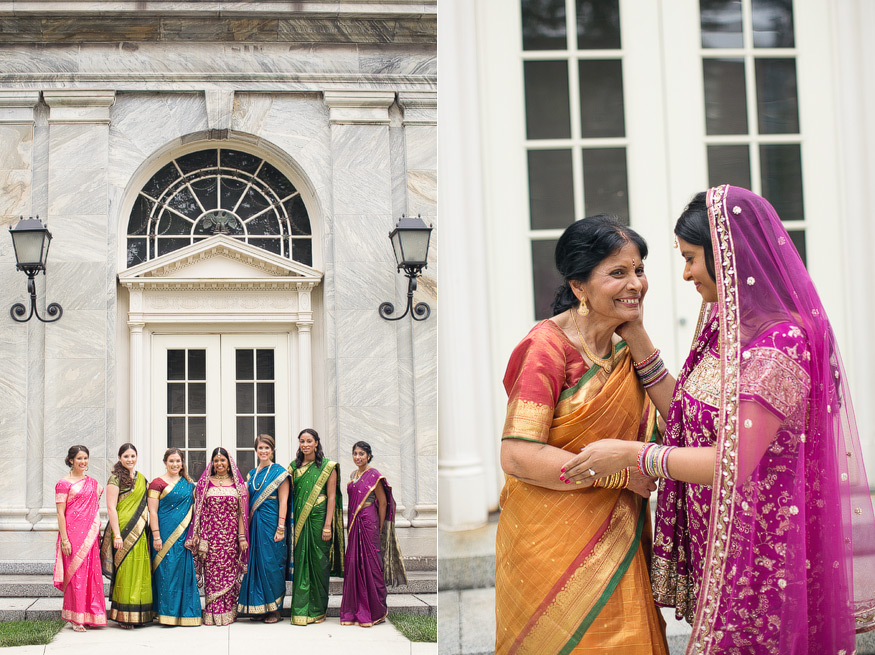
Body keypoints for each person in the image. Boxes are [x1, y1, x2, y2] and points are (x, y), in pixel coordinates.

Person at [565, 185, 875, 653]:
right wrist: (640, 339)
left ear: (729, 256)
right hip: (724, 540)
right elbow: (689, 421)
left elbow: (732, 463)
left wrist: (633, 455)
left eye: (691, 258)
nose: (686, 273)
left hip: (762, 553)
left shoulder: (778, 343)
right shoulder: (726, 330)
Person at [495, 215, 669, 655]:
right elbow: (518, 456)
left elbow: (682, 422)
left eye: (639, 269)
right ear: (578, 286)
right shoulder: (546, 348)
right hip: (552, 538)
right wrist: (618, 475)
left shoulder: (625, 346)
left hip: (620, 530)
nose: (636, 283)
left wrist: (640, 338)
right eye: (618, 273)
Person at [340, 441, 407, 627]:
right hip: (354, 523)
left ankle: (376, 610)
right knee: (354, 563)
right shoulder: (353, 475)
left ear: (369, 455)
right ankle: (354, 610)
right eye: (355, 453)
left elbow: (383, 503)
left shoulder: (374, 476)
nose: (358, 457)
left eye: (361, 453)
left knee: (372, 564)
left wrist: (378, 527)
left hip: (369, 522)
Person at [185, 447, 249, 626]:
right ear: (212, 463)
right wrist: (200, 536)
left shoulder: (238, 485)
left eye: (223, 460)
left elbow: (242, 514)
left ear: (229, 463)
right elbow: (199, 512)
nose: (219, 463)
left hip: (231, 538)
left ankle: (228, 612)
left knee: (229, 574)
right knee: (213, 575)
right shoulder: (205, 484)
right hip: (211, 538)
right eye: (216, 460)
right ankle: (212, 612)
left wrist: (242, 537)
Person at [289, 428, 344, 625]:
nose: (305, 445)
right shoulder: (293, 468)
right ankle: (301, 610)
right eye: (302, 441)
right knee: (302, 561)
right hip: (300, 522)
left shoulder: (328, 467)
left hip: (320, 519)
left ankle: (318, 610)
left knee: (319, 563)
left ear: (316, 443)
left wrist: (328, 525)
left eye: (309, 441)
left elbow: (331, 497)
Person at [238, 434, 290, 623]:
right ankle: (258, 606)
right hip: (255, 524)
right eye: (260, 448)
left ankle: (275, 610)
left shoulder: (280, 472)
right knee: (256, 565)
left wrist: (281, 527)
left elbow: (283, 501)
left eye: (267, 448)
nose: (264, 451)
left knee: (271, 565)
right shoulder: (251, 474)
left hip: (272, 524)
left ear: (273, 450)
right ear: (256, 450)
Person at [100, 442, 154, 627]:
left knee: (140, 568)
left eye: (132, 456)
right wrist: (116, 535)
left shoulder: (142, 479)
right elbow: (110, 508)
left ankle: (140, 613)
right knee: (124, 570)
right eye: (126, 456)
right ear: (119, 458)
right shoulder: (115, 479)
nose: (130, 459)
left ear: (136, 457)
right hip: (122, 529)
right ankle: (124, 615)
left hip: (140, 529)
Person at [54, 445, 106, 631]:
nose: (83, 462)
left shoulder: (92, 482)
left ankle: (92, 614)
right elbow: (61, 514)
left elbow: (94, 508)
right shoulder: (63, 483)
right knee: (76, 574)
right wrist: (65, 540)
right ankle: (76, 618)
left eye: (85, 458)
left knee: (91, 574)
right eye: (79, 459)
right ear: (70, 461)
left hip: (90, 535)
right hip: (73, 535)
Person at [148, 448, 201, 626]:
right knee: (166, 573)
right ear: (165, 462)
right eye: (171, 461)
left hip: (183, 536)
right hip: (163, 534)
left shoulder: (188, 484)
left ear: (182, 463)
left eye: (178, 461)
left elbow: (196, 510)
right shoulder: (157, 483)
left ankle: (184, 614)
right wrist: (156, 536)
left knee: (182, 574)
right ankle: (166, 614)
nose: (175, 464)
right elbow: (152, 512)